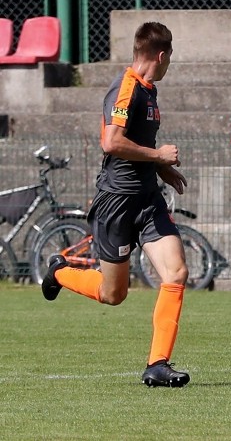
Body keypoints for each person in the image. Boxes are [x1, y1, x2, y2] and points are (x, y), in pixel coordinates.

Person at [40, 22, 192, 387]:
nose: (170, 63)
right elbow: (111, 142)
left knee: (176, 274)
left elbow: (132, 145)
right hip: (116, 203)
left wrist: (158, 168)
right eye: (169, 57)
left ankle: (157, 364)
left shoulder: (149, 91)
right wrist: (158, 153)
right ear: (161, 55)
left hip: (147, 199)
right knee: (114, 294)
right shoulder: (126, 89)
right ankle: (60, 271)